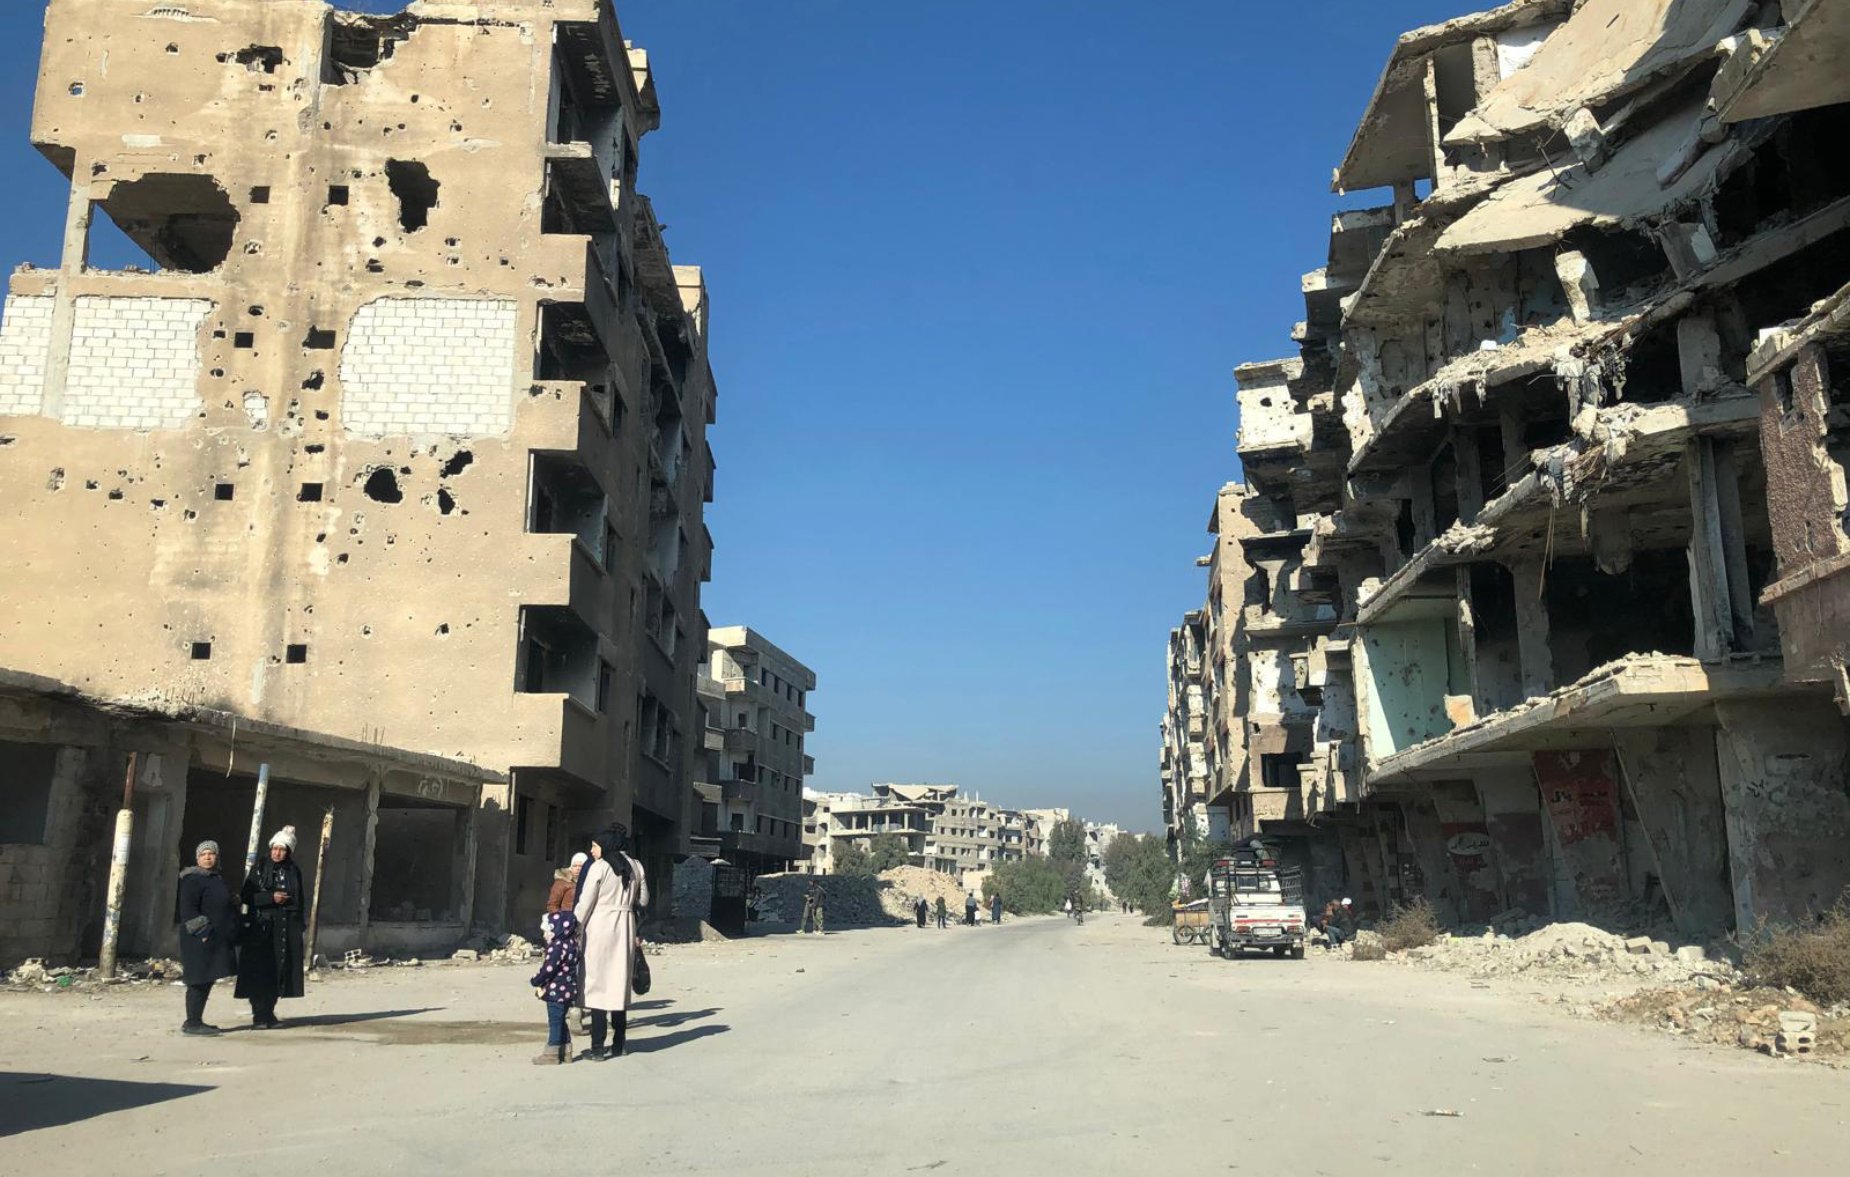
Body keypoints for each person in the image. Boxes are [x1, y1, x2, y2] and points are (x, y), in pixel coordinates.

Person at [574, 825, 648, 1060]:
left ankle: (597, 1048)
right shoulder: (636, 866)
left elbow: (585, 903)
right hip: (625, 926)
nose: (592, 850)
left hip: (600, 926)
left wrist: (574, 929)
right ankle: (619, 1044)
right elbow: (644, 900)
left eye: (595, 846)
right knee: (618, 985)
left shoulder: (600, 867)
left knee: (597, 986)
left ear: (605, 845)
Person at [236, 826, 306, 1029]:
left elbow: (300, 899)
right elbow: (247, 895)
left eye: (282, 849)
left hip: (284, 929)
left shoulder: (293, 871)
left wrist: (299, 923)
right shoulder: (259, 868)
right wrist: (271, 898)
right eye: (275, 849)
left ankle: (269, 1012)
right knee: (259, 971)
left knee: (279, 970)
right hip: (261, 929)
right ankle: (259, 1015)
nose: (277, 853)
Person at [174, 840, 238, 1036]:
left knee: (206, 978)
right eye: (203, 854)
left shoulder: (215, 878)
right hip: (199, 937)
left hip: (214, 938)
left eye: (211, 854)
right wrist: (202, 932)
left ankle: (197, 1019)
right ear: (197, 858)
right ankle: (192, 1022)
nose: (208, 857)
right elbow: (188, 910)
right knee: (198, 979)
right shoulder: (192, 879)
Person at [530, 910, 582, 1065]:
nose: (545, 934)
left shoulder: (557, 947)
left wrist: (536, 980)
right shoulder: (572, 944)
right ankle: (566, 1051)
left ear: (558, 929)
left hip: (556, 991)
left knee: (555, 1021)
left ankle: (551, 1053)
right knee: (560, 1020)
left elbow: (549, 969)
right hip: (568, 990)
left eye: (548, 930)